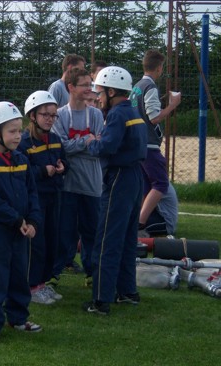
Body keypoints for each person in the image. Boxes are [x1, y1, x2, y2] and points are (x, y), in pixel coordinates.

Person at [0, 101, 42, 342]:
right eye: (12, 131)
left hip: (21, 231)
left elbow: (32, 193)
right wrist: (15, 219)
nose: (18, 136)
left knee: (19, 276)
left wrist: (33, 220)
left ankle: (18, 318)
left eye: (19, 130)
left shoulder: (22, 160)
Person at [84, 66, 147, 316]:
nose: (98, 98)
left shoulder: (117, 115)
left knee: (107, 240)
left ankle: (101, 299)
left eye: (100, 92)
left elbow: (106, 147)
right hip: (135, 178)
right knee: (128, 238)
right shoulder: (133, 111)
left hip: (119, 178)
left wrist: (92, 143)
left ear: (111, 92)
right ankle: (127, 290)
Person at [51, 68, 104, 283]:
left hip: (92, 184)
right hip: (68, 185)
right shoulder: (60, 115)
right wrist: (86, 141)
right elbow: (61, 148)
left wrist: (80, 145)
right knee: (64, 231)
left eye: (90, 85)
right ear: (71, 87)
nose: (89, 89)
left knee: (92, 231)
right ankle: (54, 273)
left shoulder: (97, 115)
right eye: (84, 85)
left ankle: (92, 273)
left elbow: (99, 148)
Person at [18, 91, 68, 305]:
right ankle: (32, 285)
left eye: (53, 115)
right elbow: (22, 171)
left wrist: (63, 167)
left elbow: (64, 160)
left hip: (54, 196)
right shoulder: (24, 142)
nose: (50, 119)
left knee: (51, 240)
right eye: (45, 114)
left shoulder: (55, 140)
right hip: (35, 200)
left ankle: (42, 282)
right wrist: (42, 171)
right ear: (32, 116)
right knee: (36, 243)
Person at [129, 49, 181, 237]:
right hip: (149, 145)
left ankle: (139, 220)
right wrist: (173, 105)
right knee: (160, 184)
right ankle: (140, 222)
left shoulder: (136, 87)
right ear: (159, 68)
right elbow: (154, 117)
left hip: (137, 143)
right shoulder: (150, 87)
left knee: (146, 185)